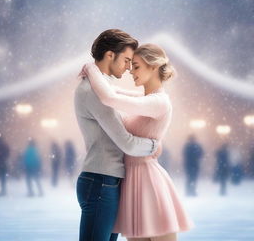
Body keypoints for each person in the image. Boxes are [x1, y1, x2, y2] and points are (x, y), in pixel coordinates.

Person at [81, 43, 194, 240]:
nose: (131, 72)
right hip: (130, 180)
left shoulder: (159, 102)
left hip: (148, 180)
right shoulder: (147, 98)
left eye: (136, 66)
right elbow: (113, 92)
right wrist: (96, 73)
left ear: (153, 66)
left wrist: (91, 69)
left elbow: (109, 98)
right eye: (131, 65)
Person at [74, 29, 159, 241]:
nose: (129, 67)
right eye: (127, 60)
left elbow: (128, 99)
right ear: (110, 55)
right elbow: (127, 143)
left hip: (105, 180)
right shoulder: (94, 91)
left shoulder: (101, 86)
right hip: (101, 181)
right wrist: (154, 145)